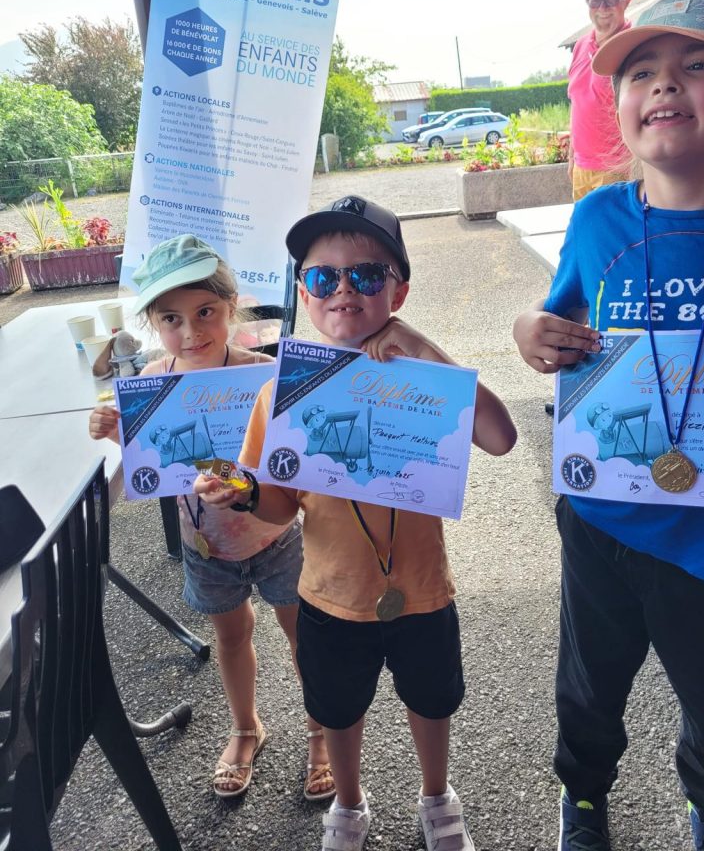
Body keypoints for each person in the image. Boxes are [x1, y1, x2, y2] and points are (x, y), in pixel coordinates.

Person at [513, 0, 704, 851]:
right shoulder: (598, 219)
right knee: (588, 687)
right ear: (618, 104)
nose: (663, 85)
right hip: (605, 514)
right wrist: (528, 331)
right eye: (640, 72)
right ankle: (583, 797)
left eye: (697, 65)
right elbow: (557, 320)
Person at [196, 195, 517, 851]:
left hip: (422, 591)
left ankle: (437, 795)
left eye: (367, 275)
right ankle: (347, 802)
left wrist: (423, 348)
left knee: (432, 701)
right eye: (323, 277)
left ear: (398, 293)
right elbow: (280, 506)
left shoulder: (426, 377)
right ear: (304, 294)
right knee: (337, 709)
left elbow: (501, 437)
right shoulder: (280, 392)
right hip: (329, 596)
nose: (344, 290)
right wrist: (242, 492)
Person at [88, 234, 335, 803]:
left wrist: (244, 472)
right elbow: (158, 462)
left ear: (231, 307)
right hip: (206, 544)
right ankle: (246, 728)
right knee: (231, 636)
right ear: (153, 323)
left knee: (303, 636)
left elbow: (292, 456)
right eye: (171, 319)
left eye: (205, 312)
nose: (191, 332)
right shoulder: (154, 381)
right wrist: (118, 431)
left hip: (275, 535)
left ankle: (321, 731)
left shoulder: (265, 375)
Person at [567, 0, 633, 202]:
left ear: (626, 0)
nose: (602, 8)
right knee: (585, 226)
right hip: (581, 168)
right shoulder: (580, 46)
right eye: (596, 1)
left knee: (614, 227)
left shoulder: (633, 44)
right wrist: (572, 155)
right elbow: (576, 102)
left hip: (618, 169)